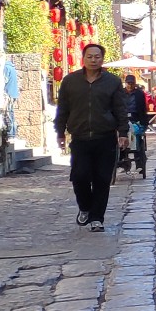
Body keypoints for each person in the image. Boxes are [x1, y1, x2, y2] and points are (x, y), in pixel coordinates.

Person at [53, 42, 130, 231]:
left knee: (102, 179)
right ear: (83, 58)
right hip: (79, 137)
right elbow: (63, 108)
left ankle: (97, 218)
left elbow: (120, 108)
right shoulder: (70, 81)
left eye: (97, 56)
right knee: (79, 176)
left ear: (102, 59)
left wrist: (123, 132)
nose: (94, 60)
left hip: (104, 137)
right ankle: (85, 208)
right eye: (90, 56)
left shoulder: (112, 82)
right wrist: (60, 132)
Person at [121, 73, 151, 179]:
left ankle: (139, 162)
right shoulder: (120, 93)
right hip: (122, 118)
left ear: (134, 84)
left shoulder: (139, 94)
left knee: (135, 135)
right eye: (128, 83)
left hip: (135, 118)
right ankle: (121, 158)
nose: (129, 85)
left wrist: (144, 123)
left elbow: (143, 108)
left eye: (131, 83)